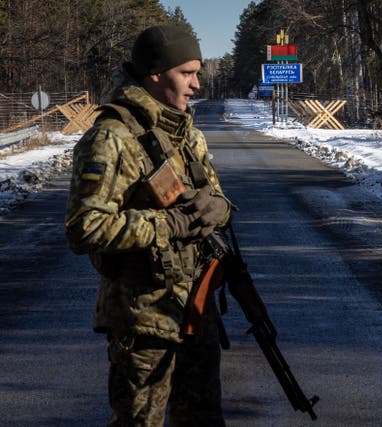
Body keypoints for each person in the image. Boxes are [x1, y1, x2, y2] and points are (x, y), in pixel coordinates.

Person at [65, 25, 231, 426]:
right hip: (142, 318)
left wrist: (218, 209)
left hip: (194, 308)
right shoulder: (112, 137)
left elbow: (213, 200)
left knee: (204, 419)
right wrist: (168, 223)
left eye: (198, 73)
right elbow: (84, 227)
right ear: (155, 74)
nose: (196, 84)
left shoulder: (187, 133)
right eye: (187, 73)